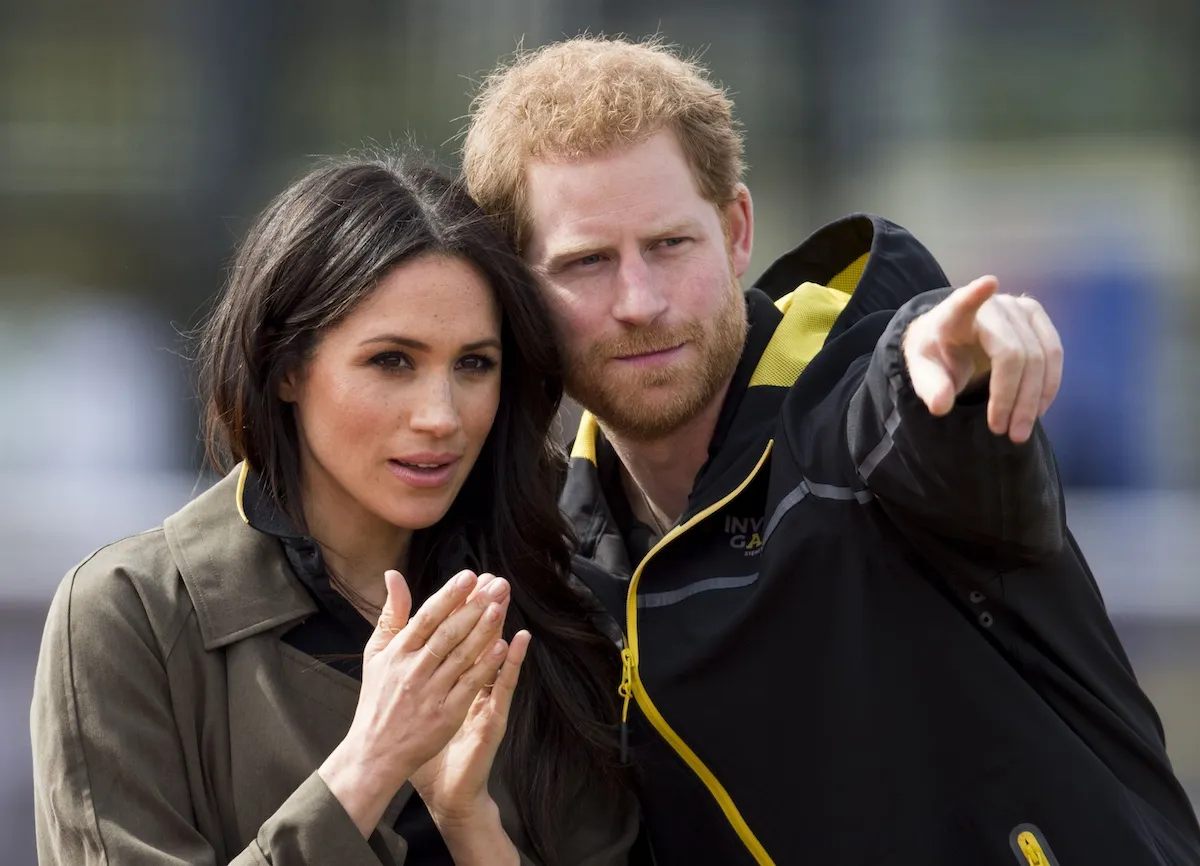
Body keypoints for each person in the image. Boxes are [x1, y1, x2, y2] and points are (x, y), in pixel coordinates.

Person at [462, 36, 1200, 865]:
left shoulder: (859, 413)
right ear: (518, 289)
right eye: (588, 262)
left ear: (736, 231)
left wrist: (949, 374)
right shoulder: (551, 571)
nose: (641, 300)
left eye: (670, 244)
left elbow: (906, 417)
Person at [30, 154, 638, 865]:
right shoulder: (130, 616)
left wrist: (468, 820)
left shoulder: (549, 607)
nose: (442, 416)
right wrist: (368, 765)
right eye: (392, 361)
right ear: (287, 367)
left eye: (474, 364)